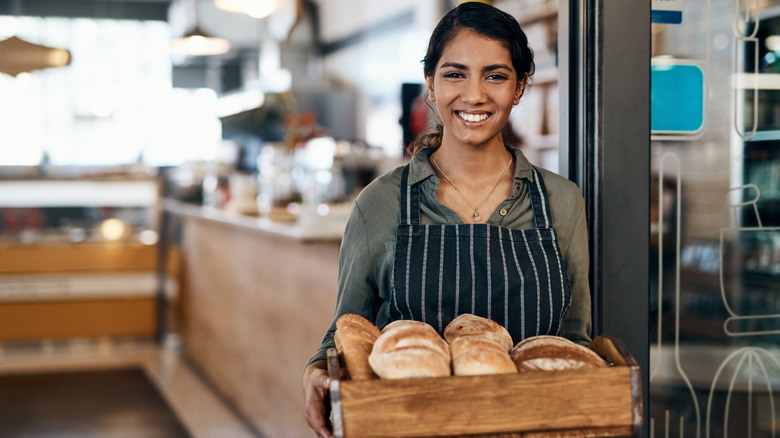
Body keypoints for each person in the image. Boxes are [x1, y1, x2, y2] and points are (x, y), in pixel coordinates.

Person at [303, 2, 591, 437]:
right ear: (431, 85)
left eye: (495, 75)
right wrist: (316, 372)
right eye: (455, 74)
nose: (474, 94)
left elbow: (576, 342)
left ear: (519, 87)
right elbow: (346, 333)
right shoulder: (379, 203)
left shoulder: (561, 201)